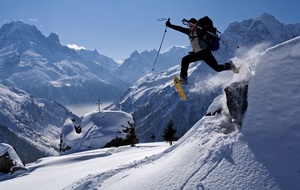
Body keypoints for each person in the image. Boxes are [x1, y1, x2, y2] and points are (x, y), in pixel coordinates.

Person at [166, 18, 237, 84]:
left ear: (196, 24)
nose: (190, 28)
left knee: (217, 68)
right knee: (185, 60)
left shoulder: (200, 30)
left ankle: (230, 65)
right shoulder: (189, 32)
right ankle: (183, 79)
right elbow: (179, 28)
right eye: (189, 26)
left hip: (205, 53)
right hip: (197, 54)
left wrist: (206, 28)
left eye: (191, 26)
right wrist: (170, 25)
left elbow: (208, 28)